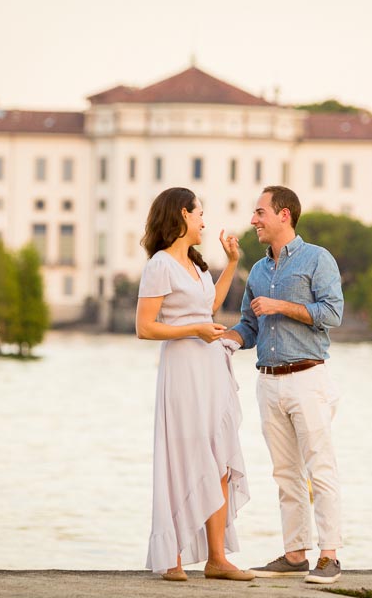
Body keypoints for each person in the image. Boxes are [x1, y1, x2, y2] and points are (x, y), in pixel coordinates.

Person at [223, 185, 345, 584]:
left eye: (260, 212)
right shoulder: (257, 270)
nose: (254, 220)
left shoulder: (317, 259)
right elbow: (250, 327)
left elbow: (332, 313)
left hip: (308, 378)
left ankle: (329, 555)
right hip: (268, 382)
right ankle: (295, 554)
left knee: (320, 468)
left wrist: (281, 306)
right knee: (284, 473)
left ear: (284, 215)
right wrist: (222, 340)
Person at [135, 187, 255, 582]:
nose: (205, 221)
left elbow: (209, 309)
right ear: (183, 215)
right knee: (184, 457)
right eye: (200, 213)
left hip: (210, 365)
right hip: (183, 367)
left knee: (218, 458)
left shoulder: (197, 265)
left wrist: (232, 263)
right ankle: (173, 556)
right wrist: (195, 331)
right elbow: (145, 327)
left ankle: (217, 559)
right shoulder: (160, 265)